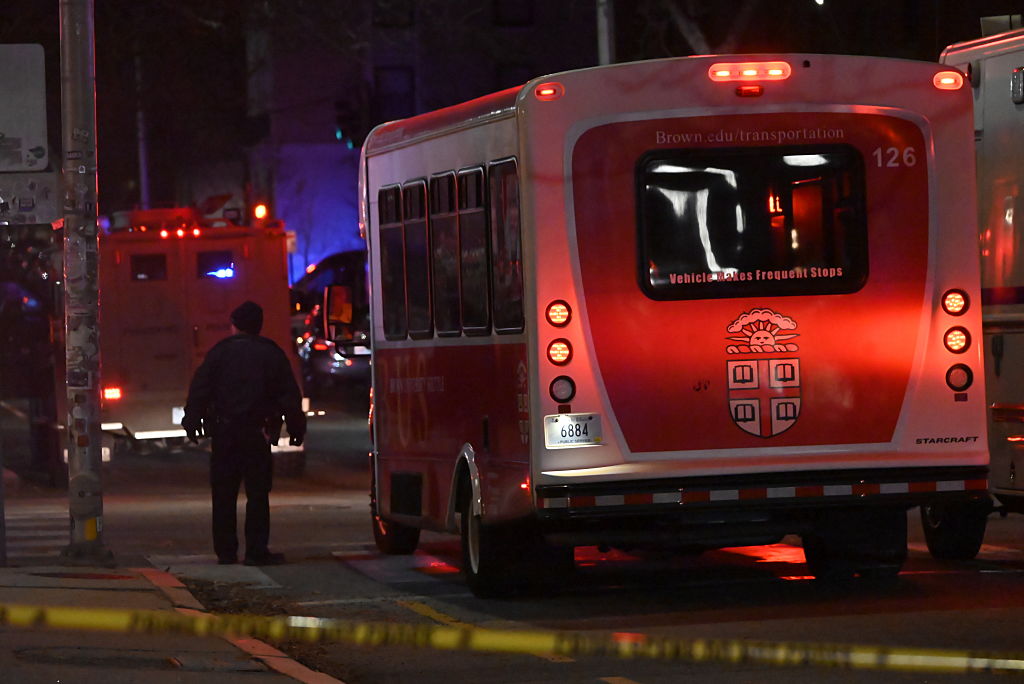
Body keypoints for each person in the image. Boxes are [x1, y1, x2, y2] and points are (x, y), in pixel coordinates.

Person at [181, 300, 306, 566]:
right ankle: (256, 551)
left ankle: (226, 552)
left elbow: (200, 389)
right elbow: (289, 395)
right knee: (258, 493)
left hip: (225, 433)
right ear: (259, 326)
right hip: (257, 432)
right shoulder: (271, 354)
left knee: (224, 494)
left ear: (234, 325)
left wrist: (192, 422)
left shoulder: (219, 353)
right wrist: (296, 429)